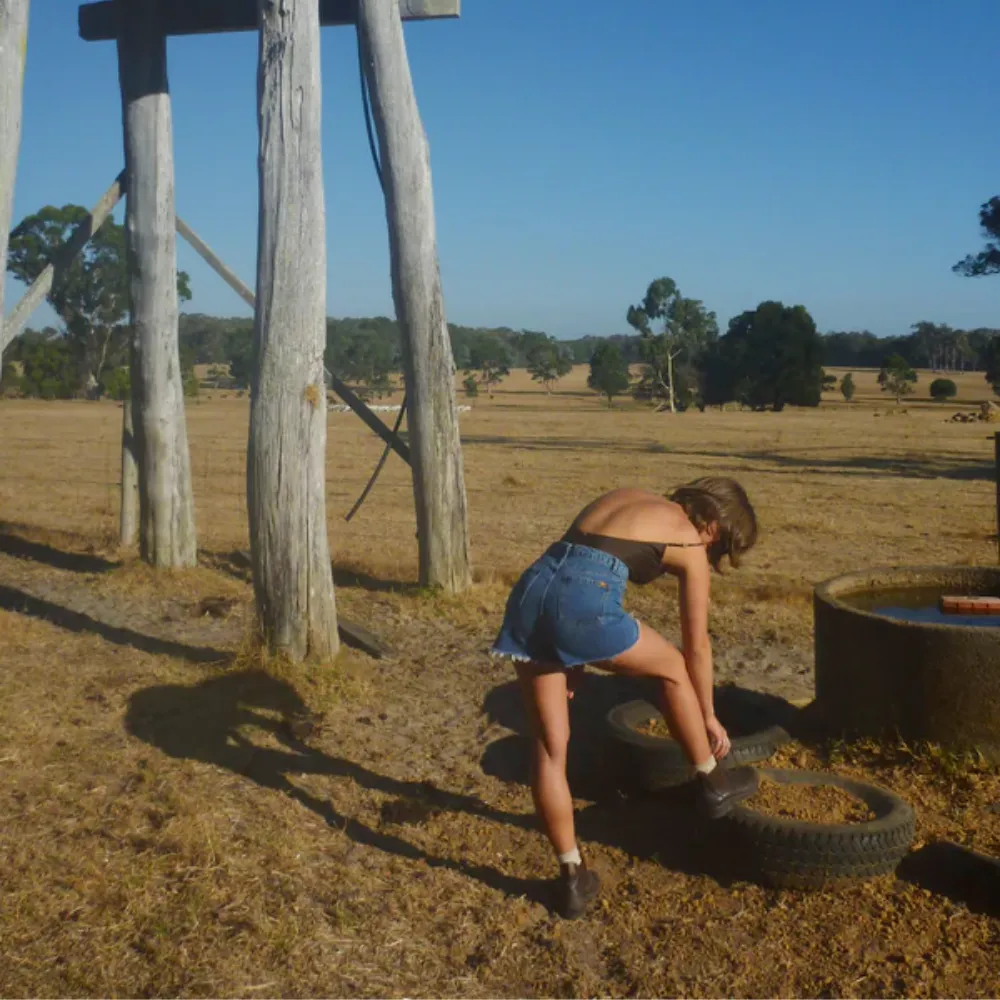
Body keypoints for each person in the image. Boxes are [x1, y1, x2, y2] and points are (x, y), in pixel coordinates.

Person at [489, 477, 760, 919]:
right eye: (719, 546)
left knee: (547, 747)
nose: (710, 555)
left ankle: (572, 878)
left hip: (530, 591)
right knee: (672, 666)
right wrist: (708, 715)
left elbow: (570, 565)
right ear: (713, 524)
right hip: (582, 600)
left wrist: (569, 659)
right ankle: (713, 781)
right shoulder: (690, 540)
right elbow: (698, 645)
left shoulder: (627, 497)